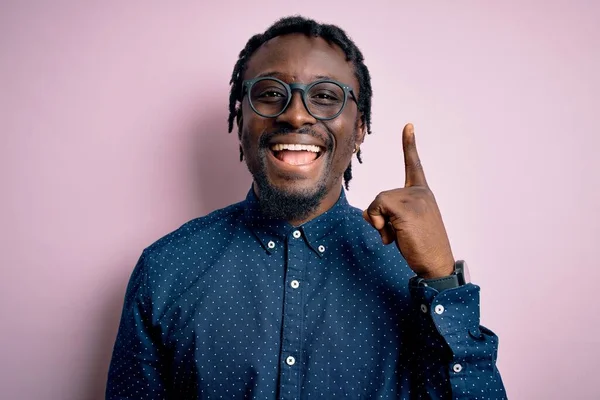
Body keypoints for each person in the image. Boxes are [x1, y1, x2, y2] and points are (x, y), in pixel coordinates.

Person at [106, 16, 506, 399]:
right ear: (240, 117)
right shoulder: (165, 271)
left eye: (326, 97)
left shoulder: (413, 273)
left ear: (361, 128)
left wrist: (442, 282)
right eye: (270, 94)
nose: (296, 114)